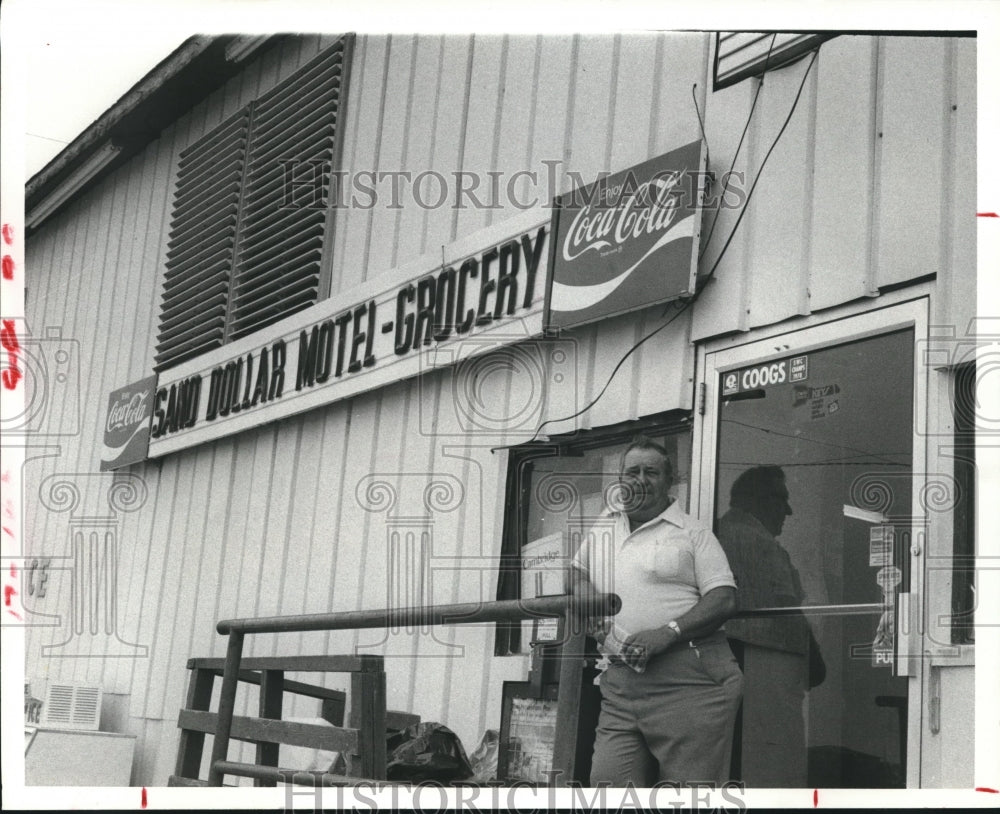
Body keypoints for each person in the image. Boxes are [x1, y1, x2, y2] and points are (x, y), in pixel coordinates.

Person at [569, 436, 742, 786]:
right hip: (620, 683)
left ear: (669, 480)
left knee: (686, 799)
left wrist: (668, 632)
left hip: (688, 683)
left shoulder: (693, 533)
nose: (641, 480)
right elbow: (577, 571)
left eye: (651, 472)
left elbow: (724, 598)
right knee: (609, 789)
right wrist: (587, 595)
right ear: (620, 478)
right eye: (632, 471)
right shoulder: (605, 524)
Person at [717, 465, 824, 787]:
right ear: (756, 500)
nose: (789, 510)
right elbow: (784, 607)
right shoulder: (754, 540)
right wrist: (816, 662)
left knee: (739, 758)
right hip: (763, 664)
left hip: (739, 664)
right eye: (782, 499)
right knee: (771, 761)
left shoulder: (723, 532)